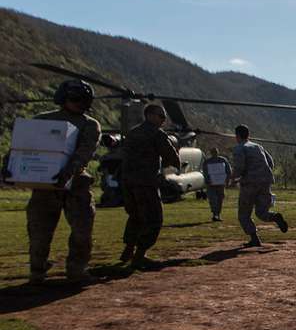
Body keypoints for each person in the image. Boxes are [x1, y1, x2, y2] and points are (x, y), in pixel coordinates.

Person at [4, 80, 102, 285]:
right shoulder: (42, 120)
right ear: (63, 98)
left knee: (82, 231)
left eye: (83, 101)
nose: (79, 104)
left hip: (76, 185)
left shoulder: (90, 124)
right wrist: (8, 165)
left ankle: (77, 270)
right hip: (45, 186)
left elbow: (85, 151)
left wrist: (68, 172)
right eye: (75, 99)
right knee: (39, 231)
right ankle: (37, 272)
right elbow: (22, 146)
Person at [118, 103, 181, 269]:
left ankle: (129, 249)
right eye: (161, 117)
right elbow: (171, 156)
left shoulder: (132, 133)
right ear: (150, 115)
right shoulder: (156, 134)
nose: (163, 120)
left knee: (136, 216)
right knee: (154, 218)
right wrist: (172, 167)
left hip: (127, 182)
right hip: (145, 182)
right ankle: (140, 255)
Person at [231, 124, 288, 247]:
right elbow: (270, 162)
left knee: (244, 214)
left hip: (249, 184)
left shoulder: (239, 148)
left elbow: (239, 167)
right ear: (248, 135)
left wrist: (232, 178)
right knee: (262, 212)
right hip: (265, 182)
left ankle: (254, 238)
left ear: (237, 136)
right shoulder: (258, 146)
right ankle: (275, 217)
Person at [201, 146, 232, 222]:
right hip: (211, 184)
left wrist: (227, 180)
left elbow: (228, 171)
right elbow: (205, 172)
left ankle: (217, 214)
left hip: (220, 184)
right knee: (213, 199)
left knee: (220, 199)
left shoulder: (223, 160)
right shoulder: (207, 162)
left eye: (215, 152)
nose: (214, 153)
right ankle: (215, 214)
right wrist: (208, 180)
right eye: (213, 152)